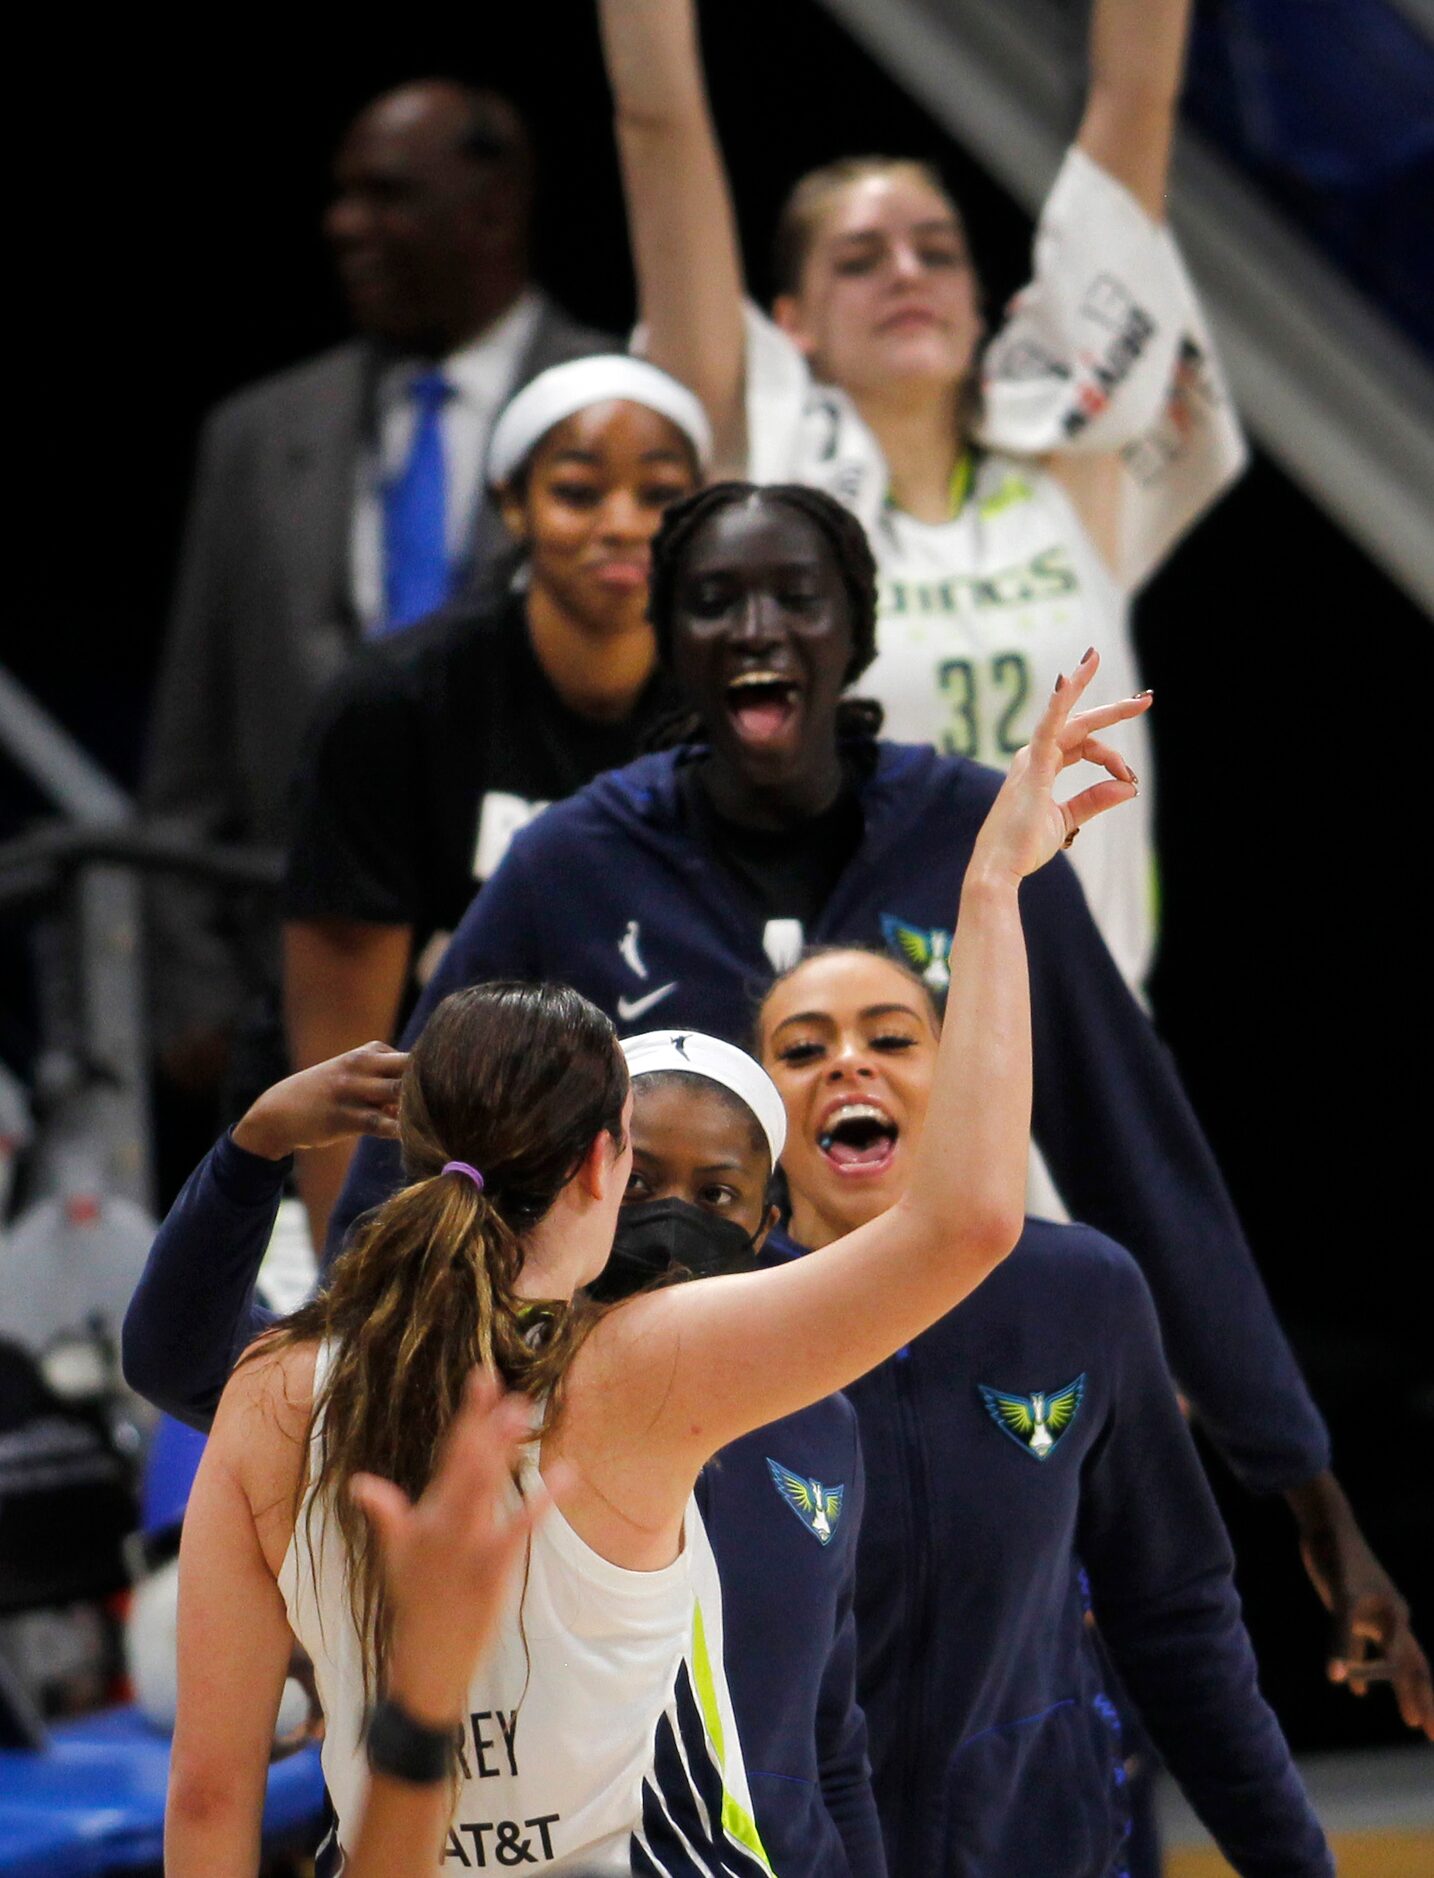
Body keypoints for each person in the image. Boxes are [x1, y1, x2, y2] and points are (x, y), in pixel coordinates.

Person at [338, 481, 1431, 1737]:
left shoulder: (976, 832)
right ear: (672, 643)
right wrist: (327, 1468)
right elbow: (423, 1177)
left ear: (854, 634)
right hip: (674, 1466)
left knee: (1019, 1771)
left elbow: (1140, 1152)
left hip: (969, 1443)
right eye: (714, 601)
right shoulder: (569, 865)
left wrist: (1309, 1494)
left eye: (796, 599)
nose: (756, 628)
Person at [165, 653, 1125, 1873]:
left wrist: (250, 1142)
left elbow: (205, 1803)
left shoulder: (266, 1396)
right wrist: (991, 886)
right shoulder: (637, 1375)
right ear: (602, 1171)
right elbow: (971, 1222)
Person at [599, 0, 1246, 994]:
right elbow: (658, 122)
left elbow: (1136, 94)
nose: (905, 272)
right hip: (869, 1061)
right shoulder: (769, 481)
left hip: (1082, 1040)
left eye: (936, 251)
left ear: (982, 303)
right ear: (791, 323)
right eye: (859, 260)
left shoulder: (1073, 468)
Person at [129, 1030, 886, 1871]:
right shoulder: (438, 1379)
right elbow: (183, 1357)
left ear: (765, 1223)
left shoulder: (820, 1419)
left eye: (715, 1195)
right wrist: (254, 1147)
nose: (673, 1219)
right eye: (641, 1182)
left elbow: (831, 1733)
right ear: (587, 1174)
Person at [757, 945, 1344, 1875]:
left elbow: (1178, 1618)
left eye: (892, 1037)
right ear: (761, 1117)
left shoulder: (1082, 1294)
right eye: (801, 1050)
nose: (847, 1062)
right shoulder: (713, 1326)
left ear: (955, 1077)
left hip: (1044, 1847)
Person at [142, 81, 613, 1101]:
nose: (345, 223)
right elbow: (190, 753)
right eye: (344, 194)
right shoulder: (259, 434)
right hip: (295, 997)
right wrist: (194, 1004)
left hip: (563, 1000)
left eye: (387, 195)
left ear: (491, 209)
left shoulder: (624, 408)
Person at [280, 355, 707, 1244]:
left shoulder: (723, 705)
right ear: (513, 504)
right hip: (432, 1139)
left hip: (637, 1139)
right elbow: (344, 1021)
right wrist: (348, 1268)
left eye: (660, 496)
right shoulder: (397, 703)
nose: (622, 525)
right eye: (579, 493)